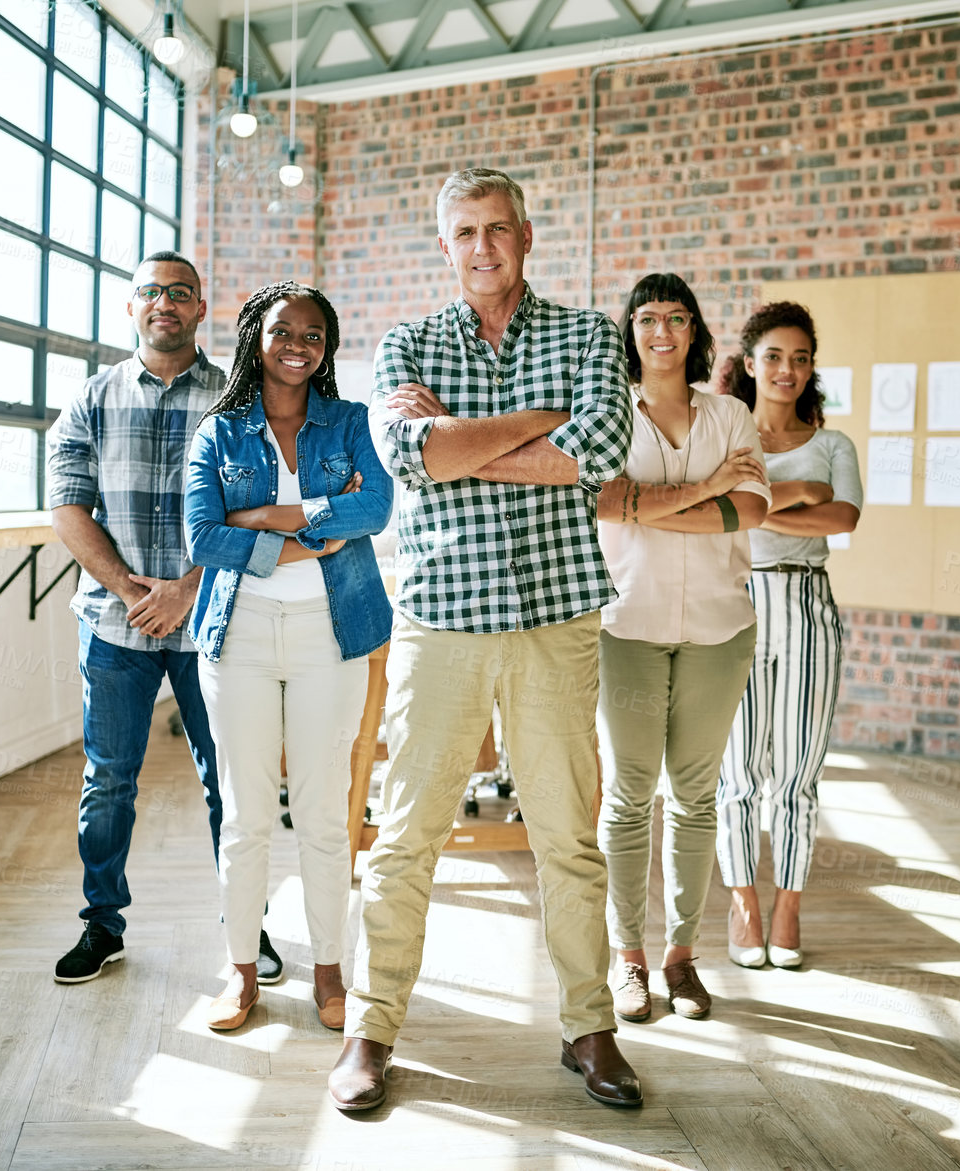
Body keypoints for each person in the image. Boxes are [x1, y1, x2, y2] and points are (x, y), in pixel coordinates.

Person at [328, 168, 638, 1113]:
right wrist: (540, 426)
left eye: (496, 229)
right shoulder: (406, 343)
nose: (481, 247)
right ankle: (370, 1032)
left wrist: (467, 442)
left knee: (565, 838)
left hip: (555, 617)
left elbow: (603, 448)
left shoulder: (587, 333)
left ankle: (589, 1028)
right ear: (445, 244)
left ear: (526, 235)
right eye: (463, 232)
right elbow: (408, 458)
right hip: (440, 620)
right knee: (402, 838)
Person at [46, 251, 281, 985]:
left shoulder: (239, 401)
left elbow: (260, 514)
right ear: (131, 307)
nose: (164, 304)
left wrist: (184, 589)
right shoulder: (93, 397)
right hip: (116, 627)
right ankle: (100, 925)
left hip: (214, 622)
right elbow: (67, 504)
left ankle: (246, 928)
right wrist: (127, 589)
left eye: (180, 293)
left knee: (231, 781)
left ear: (200, 308)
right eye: (150, 292)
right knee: (109, 778)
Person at [596, 273, 826, 1022]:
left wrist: (649, 504)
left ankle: (682, 959)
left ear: (694, 331)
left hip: (721, 633)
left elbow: (752, 510)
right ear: (628, 330)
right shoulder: (604, 414)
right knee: (629, 801)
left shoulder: (729, 414)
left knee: (696, 800)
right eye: (647, 317)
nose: (661, 330)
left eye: (676, 317)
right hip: (625, 628)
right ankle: (627, 958)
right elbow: (599, 501)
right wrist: (706, 493)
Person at [183, 283, 393, 1032]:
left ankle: (331, 973)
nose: (297, 343)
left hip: (329, 635)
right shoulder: (220, 432)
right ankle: (240, 974)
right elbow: (202, 537)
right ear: (256, 337)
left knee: (323, 814)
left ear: (327, 347)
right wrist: (309, 529)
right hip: (236, 636)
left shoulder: (350, 420)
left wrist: (266, 516)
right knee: (244, 815)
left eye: (313, 333)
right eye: (282, 330)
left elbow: (379, 507)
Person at [714, 301, 861, 971]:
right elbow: (717, 512)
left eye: (800, 359)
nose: (787, 370)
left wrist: (770, 498)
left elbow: (842, 519)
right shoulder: (724, 434)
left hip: (807, 606)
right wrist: (796, 491)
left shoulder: (834, 446)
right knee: (738, 772)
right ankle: (743, 902)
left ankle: (788, 905)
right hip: (736, 602)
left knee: (797, 774)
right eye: (773, 356)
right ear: (749, 364)